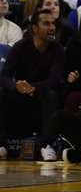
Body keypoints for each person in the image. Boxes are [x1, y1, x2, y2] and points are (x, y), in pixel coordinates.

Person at [0, 10, 63, 161]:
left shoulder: (58, 49)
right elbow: (4, 76)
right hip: (21, 94)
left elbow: (54, 79)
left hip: (43, 93)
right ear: (34, 28)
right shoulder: (20, 47)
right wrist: (16, 86)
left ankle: (47, 146)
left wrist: (31, 86)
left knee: (52, 94)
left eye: (53, 23)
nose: (52, 27)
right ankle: (1, 145)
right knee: (2, 92)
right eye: (46, 23)